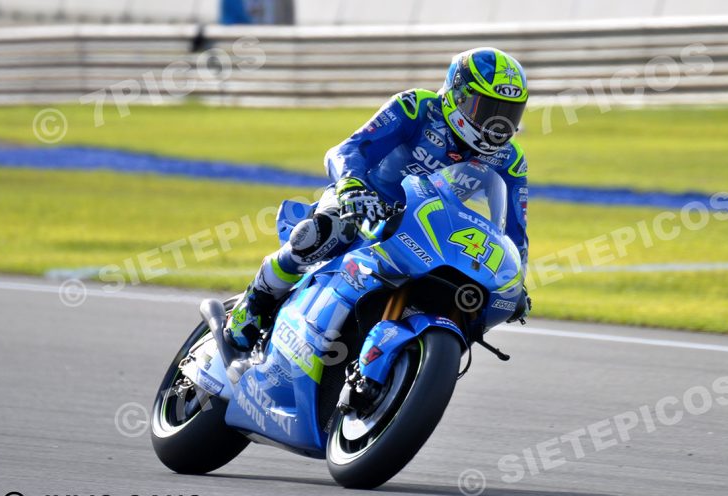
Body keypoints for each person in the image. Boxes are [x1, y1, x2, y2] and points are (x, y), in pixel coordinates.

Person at [224, 47, 532, 351]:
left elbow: (514, 232)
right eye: (489, 109)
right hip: (367, 204)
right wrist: (351, 186)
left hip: (431, 230)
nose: (497, 125)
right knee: (320, 234)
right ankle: (253, 303)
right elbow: (349, 149)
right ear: (459, 94)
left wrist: (516, 279)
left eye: (508, 114)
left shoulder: (510, 159)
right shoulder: (416, 108)